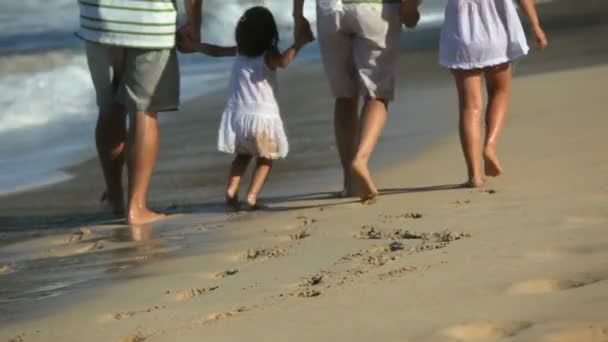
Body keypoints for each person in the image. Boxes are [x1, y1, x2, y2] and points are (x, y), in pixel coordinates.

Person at [77, 0, 203, 224]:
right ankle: (136, 207)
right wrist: (194, 24)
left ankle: (114, 197)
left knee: (109, 110)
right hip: (150, 24)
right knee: (144, 111)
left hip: (98, 21)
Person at [293, 0, 403, 203]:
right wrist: (410, 9)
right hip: (373, 8)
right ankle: (360, 160)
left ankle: (350, 183)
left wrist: (298, 16)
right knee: (377, 93)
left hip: (330, 10)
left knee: (344, 95)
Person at [210, 6, 314, 210]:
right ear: (270, 34)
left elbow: (215, 51)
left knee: (242, 156)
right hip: (263, 119)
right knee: (266, 159)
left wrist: (195, 45)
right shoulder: (268, 55)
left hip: (238, 117)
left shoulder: (239, 52)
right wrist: (299, 44)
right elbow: (284, 62)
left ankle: (232, 189)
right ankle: (251, 196)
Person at [436, 0, 548, 187]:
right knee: (500, 92)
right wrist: (535, 25)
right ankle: (490, 146)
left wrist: (410, 9)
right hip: (496, 29)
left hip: (461, 31)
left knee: (470, 107)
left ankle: (474, 175)